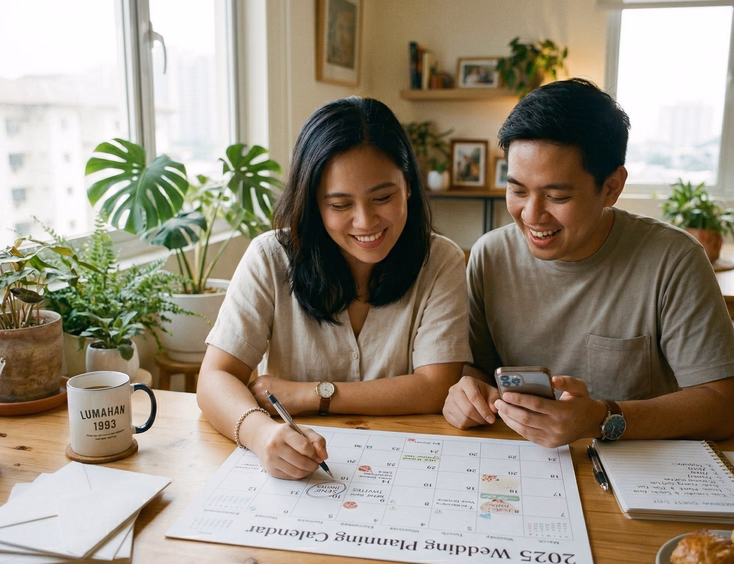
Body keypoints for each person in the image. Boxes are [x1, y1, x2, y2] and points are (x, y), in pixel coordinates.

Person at [442, 78, 734, 447]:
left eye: (557, 195)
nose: (531, 215)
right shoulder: (489, 255)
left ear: (611, 187)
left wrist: (601, 418)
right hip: (521, 463)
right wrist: (466, 391)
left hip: (638, 471)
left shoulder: (673, 260)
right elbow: (478, 367)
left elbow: (724, 407)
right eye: (517, 190)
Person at [198, 97, 472, 480]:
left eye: (382, 197)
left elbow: (435, 386)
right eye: (341, 204)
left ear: (408, 185)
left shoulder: (440, 259)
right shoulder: (269, 257)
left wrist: (311, 395)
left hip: (409, 469)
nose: (365, 221)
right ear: (313, 204)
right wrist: (261, 435)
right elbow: (214, 378)